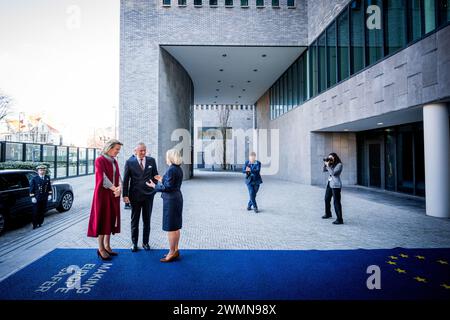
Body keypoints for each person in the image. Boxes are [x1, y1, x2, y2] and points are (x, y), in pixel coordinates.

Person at [87, 139, 123, 260]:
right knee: (103, 219)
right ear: (109, 147)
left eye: (119, 149)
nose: (118, 151)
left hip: (113, 194)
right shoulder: (99, 160)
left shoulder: (114, 161)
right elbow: (102, 178)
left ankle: (107, 246)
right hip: (103, 195)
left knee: (111, 218)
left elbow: (118, 176)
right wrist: (115, 188)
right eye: (117, 149)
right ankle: (101, 248)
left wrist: (120, 188)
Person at [146, 149, 183, 263]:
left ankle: (171, 252)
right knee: (175, 227)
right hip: (176, 198)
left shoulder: (171, 169)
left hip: (171, 200)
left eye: (167, 157)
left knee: (171, 228)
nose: (166, 159)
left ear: (171, 157)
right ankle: (175, 250)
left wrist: (154, 186)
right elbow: (171, 183)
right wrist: (162, 178)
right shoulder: (177, 168)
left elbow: (167, 188)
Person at [123, 143, 159, 252]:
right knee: (135, 220)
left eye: (144, 150)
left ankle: (145, 242)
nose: (143, 153)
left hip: (148, 196)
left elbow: (155, 175)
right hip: (135, 196)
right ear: (135, 151)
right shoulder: (130, 162)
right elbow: (126, 180)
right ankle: (134, 243)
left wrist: (153, 187)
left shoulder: (151, 160)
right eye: (141, 151)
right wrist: (125, 195)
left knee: (147, 220)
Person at [322, 152, 344, 225]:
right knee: (326, 199)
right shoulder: (331, 164)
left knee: (336, 202)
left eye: (331, 157)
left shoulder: (339, 165)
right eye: (329, 157)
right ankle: (328, 213)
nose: (330, 158)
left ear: (335, 157)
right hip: (329, 183)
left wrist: (328, 166)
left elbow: (333, 173)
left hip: (336, 185)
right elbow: (324, 170)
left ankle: (340, 219)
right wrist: (325, 164)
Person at [29, 165, 53, 229]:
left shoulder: (47, 178)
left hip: (44, 197)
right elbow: (31, 189)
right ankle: (34, 224)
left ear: (45, 171)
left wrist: (50, 194)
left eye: (43, 170)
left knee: (42, 211)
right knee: (36, 211)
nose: (42, 171)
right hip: (37, 198)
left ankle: (40, 222)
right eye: (40, 170)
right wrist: (32, 197)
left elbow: (49, 187)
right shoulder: (34, 179)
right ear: (38, 171)